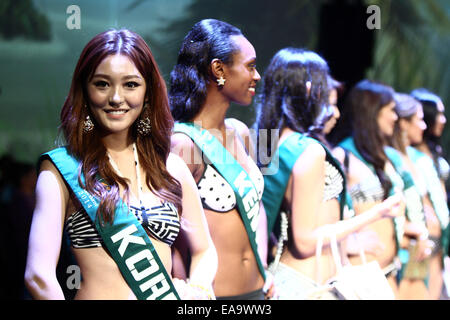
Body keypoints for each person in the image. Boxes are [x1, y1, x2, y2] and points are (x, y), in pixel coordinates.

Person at [24, 29, 217, 300]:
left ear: (148, 93)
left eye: (131, 84)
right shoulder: (61, 170)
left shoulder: (171, 168)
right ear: (85, 90)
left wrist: (198, 290)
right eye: (102, 84)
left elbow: (204, 250)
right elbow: (38, 276)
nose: (116, 98)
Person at [256, 48, 402, 300]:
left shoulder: (272, 143)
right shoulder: (308, 151)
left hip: (303, 281)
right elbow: (304, 241)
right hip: (307, 287)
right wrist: (377, 214)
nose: (332, 108)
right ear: (311, 90)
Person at [169, 19, 273, 300]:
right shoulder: (183, 144)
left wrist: (263, 265)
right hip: (214, 296)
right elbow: (170, 236)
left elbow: (256, 206)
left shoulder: (240, 133)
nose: (257, 76)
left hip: (258, 291)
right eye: (250, 66)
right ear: (219, 69)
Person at [333, 80, 429, 298]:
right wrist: (348, 243)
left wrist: (417, 232)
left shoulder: (387, 156)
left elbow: (395, 208)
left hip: (390, 271)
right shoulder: (342, 156)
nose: (396, 117)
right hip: (361, 275)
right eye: (391, 111)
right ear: (372, 112)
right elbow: (325, 216)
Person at [390, 93, 437, 299]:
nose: (424, 126)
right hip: (402, 250)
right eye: (418, 119)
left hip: (423, 248)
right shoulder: (388, 158)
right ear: (403, 123)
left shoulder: (416, 157)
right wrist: (413, 228)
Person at [410, 88, 450, 299]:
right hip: (423, 236)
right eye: (439, 114)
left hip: (441, 234)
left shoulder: (434, 152)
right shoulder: (408, 155)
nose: (443, 120)